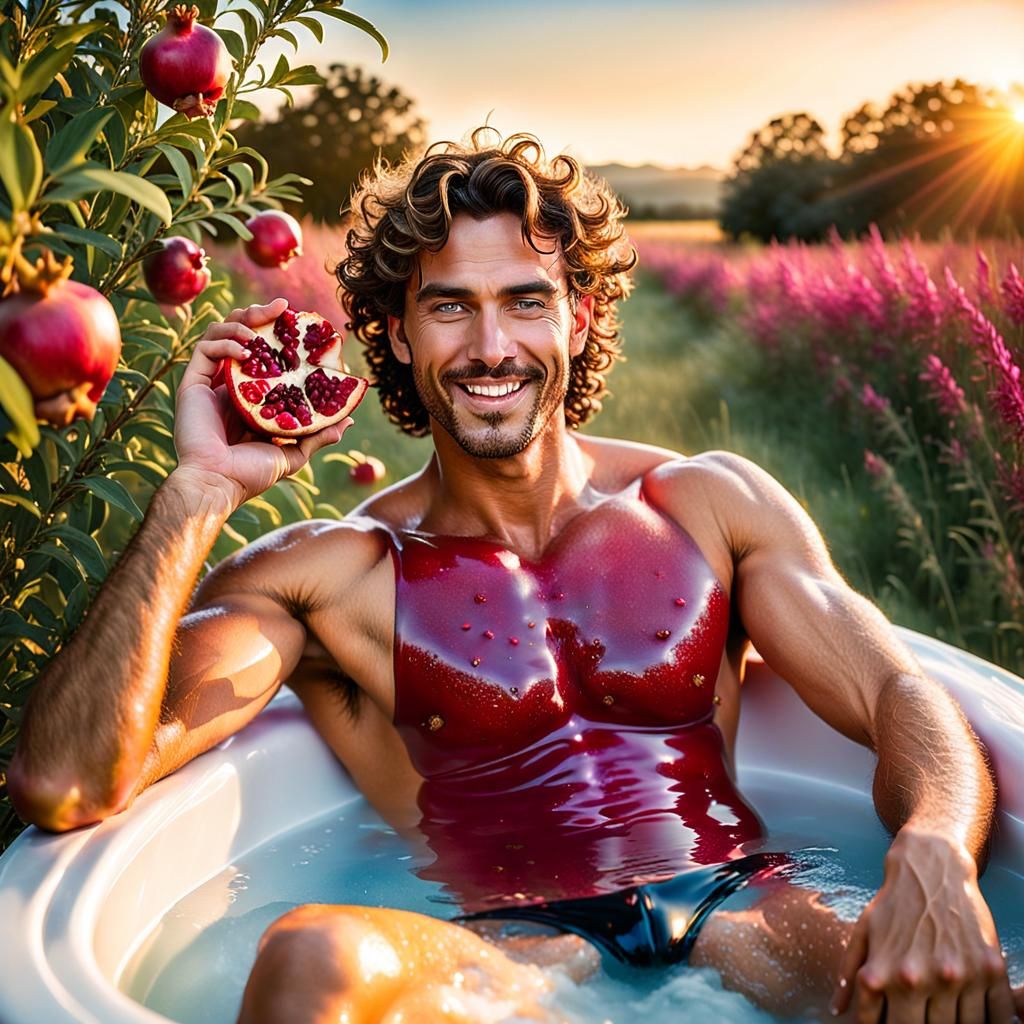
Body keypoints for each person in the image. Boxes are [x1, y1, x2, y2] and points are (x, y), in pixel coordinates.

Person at [8, 130, 1022, 1024]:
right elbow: (67, 781)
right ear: (399, 335)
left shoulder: (707, 505)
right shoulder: (334, 574)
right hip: (515, 962)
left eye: (524, 301)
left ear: (576, 319)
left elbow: (898, 690)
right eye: (450, 307)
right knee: (310, 958)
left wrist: (932, 845)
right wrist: (194, 496)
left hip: (748, 916)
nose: (490, 348)